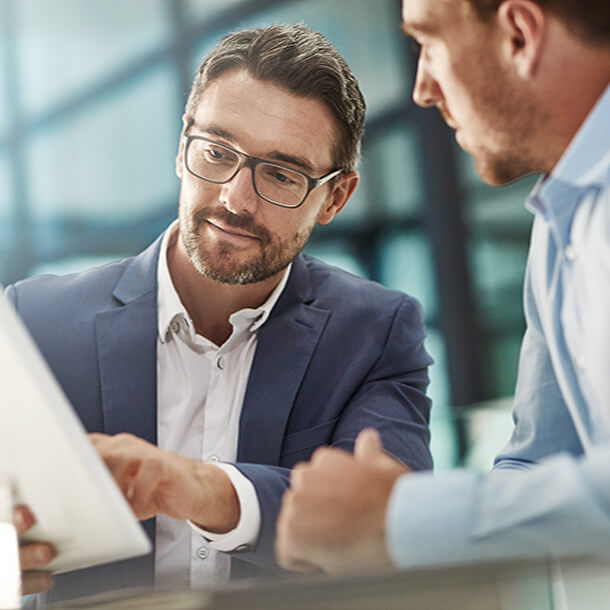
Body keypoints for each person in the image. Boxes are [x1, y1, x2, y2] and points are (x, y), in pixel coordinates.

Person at [8, 24, 434, 602]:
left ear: (336, 197)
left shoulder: (377, 333)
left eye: (281, 175)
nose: (236, 199)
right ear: (183, 146)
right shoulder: (32, 321)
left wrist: (199, 489)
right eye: (218, 152)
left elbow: (388, 522)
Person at [276, 0, 610, 574]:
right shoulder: (562, 225)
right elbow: (536, 467)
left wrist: (403, 520)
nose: (423, 89)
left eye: (430, 43)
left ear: (519, 35)